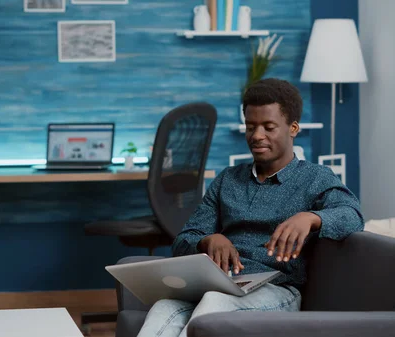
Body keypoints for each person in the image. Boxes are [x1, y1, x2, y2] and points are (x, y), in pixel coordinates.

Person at [136, 78, 364, 337]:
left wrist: (311, 218)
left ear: (293, 128)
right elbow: (183, 241)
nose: (257, 136)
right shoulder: (227, 180)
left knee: (214, 304)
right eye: (251, 127)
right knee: (165, 307)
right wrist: (208, 240)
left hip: (277, 290)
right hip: (222, 283)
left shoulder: (316, 178)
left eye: (269, 127)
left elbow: (353, 216)